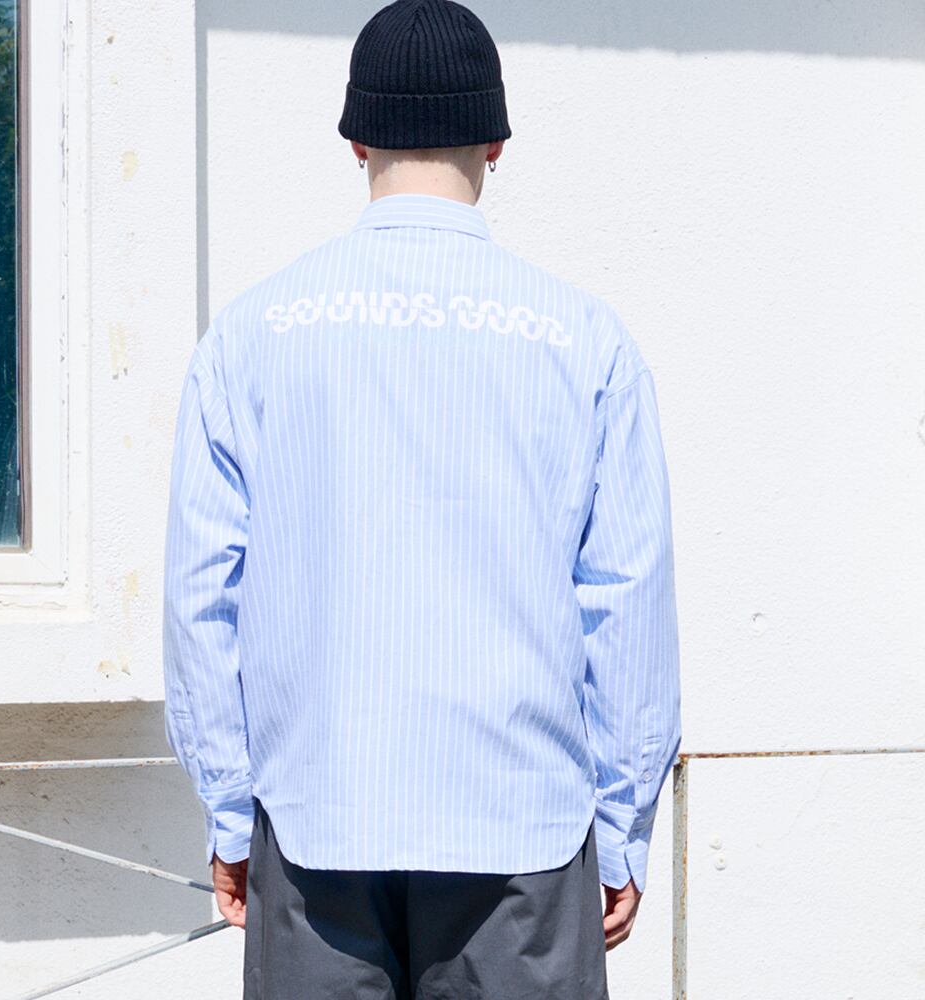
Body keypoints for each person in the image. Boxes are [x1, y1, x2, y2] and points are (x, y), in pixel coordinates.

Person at [162, 1, 682, 997]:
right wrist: (621, 829)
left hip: (314, 825)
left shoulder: (253, 334)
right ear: (497, 140)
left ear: (356, 140)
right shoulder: (584, 341)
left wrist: (232, 812)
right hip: (524, 835)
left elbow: (201, 596)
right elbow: (627, 604)